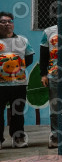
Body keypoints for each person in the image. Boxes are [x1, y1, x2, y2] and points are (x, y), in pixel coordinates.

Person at [0, 12, 34, 148]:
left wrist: (16, 71)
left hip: (19, 84)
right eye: (3, 22)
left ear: (13, 24)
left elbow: (29, 58)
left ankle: (18, 138)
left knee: (17, 113)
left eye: (10, 21)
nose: (7, 24)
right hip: (0, 86)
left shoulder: (22, 40)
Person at [40, 24, 60, 148]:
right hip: (54, 75)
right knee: (55, 106)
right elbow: (43, 55)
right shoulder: (48, 32)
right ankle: (55, 135)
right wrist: (43, 74)